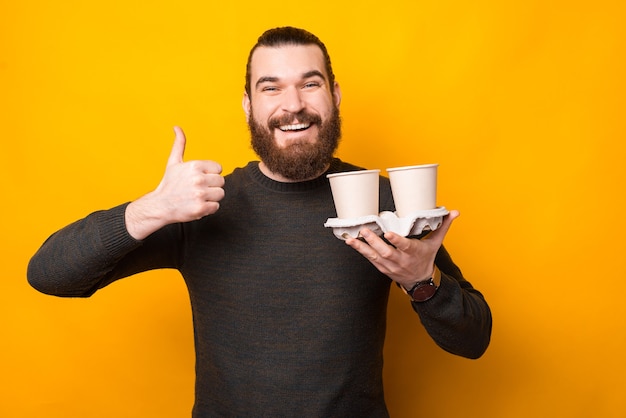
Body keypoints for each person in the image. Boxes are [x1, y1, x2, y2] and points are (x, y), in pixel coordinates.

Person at [27, 26, 492, 417]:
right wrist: (153, 208)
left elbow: (475, 340)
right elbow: (49, 275)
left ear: (333, 95)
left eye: (310, 84)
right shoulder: (202, 206)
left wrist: (421, 281)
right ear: (248, 105)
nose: (293, 105)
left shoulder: (385, 200)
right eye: (270, 87)